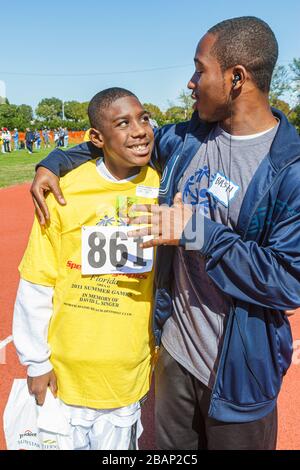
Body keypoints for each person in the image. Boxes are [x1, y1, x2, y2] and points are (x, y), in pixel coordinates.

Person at [30, 17, 300, 450]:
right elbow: (120, 140)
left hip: (239, 375)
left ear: (236, 78)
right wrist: (55, 159)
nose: (191, 84)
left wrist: (196, 231)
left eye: (199, 70)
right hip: (174, 356)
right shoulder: (187, 139)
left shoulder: (289, 169)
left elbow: (288, 281)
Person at [13, 87, 160, 450]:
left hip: (126, 371)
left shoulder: (162, 186)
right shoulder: (64, 192)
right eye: (123, 123)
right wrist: (35, 362)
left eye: (143, 118)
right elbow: (37, 281)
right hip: (66, 374)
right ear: (96, 137)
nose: (139, 130)